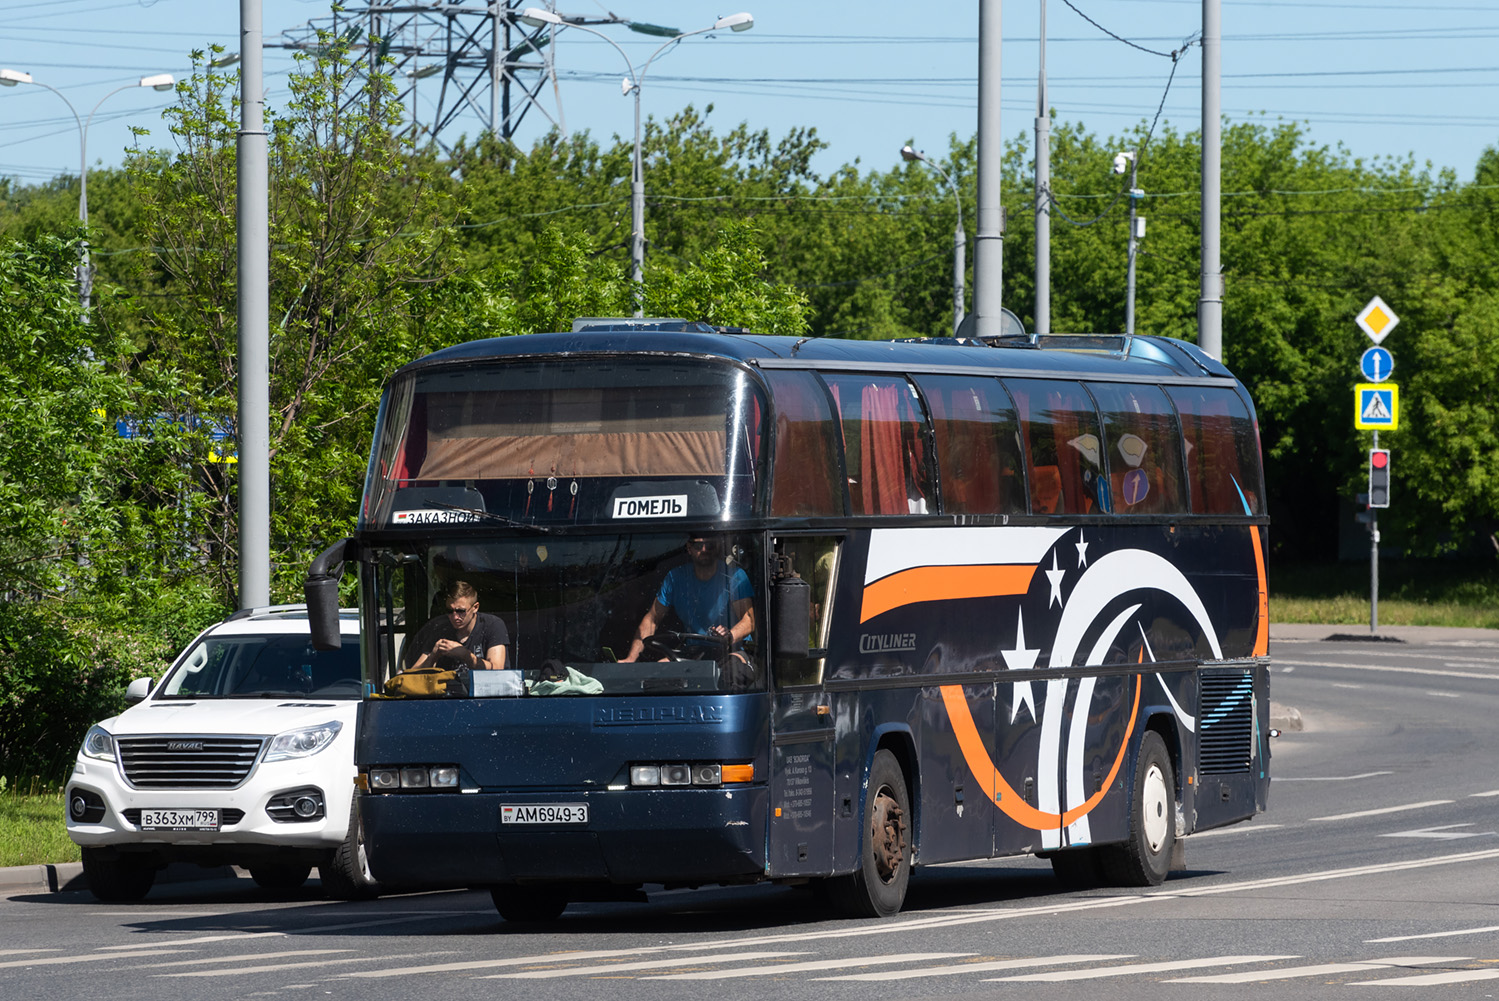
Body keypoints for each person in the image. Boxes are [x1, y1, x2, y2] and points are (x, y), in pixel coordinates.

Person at [621, 535, 755, 677]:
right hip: (694, 651)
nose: (704, 550)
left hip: (730, 649)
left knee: (733, 672)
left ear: (717, 548)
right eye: (698, 546)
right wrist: (630, 659)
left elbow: (749, 620)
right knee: (657, 674)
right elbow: (652, 620)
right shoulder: (675, 577)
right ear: (689, 548)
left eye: (709, 545)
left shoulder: (735, 576)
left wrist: (729, 636)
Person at [405, 580, 509, 672]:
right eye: (450, 611)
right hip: (448, 692)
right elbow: (412, 675)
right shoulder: (441, 629)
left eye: (460, 611)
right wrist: (432, 656)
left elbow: (497, 670)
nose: (454, 617)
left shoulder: (491, 625)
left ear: (475, 607)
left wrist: (465, 655)